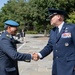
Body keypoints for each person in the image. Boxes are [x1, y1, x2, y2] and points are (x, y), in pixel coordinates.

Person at [33, 8, 75, 75]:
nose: (50, 19)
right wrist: (39, 55)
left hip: (69, 67)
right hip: (57, 67)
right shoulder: (53, 31)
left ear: (58, 17)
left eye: (52, 17)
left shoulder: (72, 28)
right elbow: (49, 46)